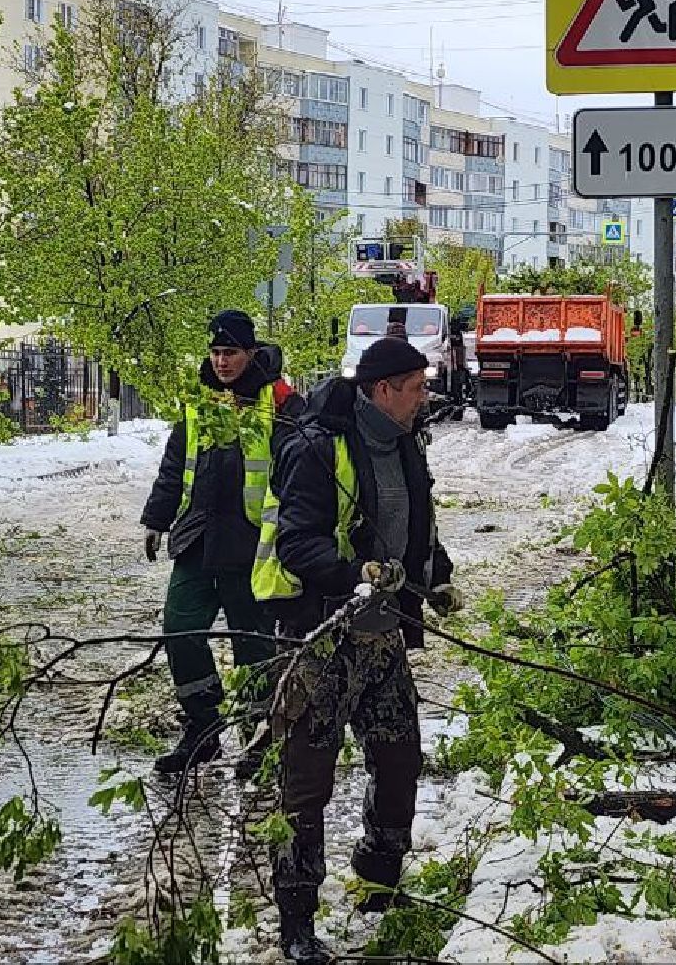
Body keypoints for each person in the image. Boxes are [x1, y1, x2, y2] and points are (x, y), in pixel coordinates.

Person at [252, 337, 461, 965]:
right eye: (416, 387)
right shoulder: (318, 448)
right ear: (382, 390)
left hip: (382, 637)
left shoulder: (407, 444)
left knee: (400, 761)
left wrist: (436, 576)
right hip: (320, 638)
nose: (425, 397)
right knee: (306, 783)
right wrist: (355, 574)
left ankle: (377, 885)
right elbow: (297, 544)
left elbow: (415, 526)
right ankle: (296, 922)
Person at [140, 309, 307, 776]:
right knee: (180, 630)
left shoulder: (279, 401)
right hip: (198, 537)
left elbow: (303, 467)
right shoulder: (200, 399)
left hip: (253, 544)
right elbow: (176, 462)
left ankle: (259, 738)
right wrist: (156, 519)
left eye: (230, 352)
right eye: (215, 352)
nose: (221, 361)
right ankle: (203, 728)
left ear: (250, 352)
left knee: (253, 646)